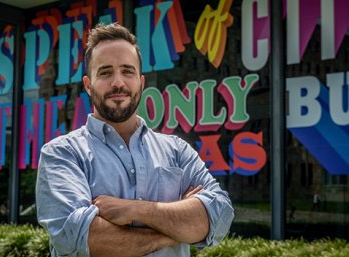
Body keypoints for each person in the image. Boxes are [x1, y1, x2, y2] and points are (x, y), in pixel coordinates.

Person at [36, 22, 234, 257]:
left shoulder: (177, 152)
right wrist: (177, 229)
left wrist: (135, 210)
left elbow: (218, 217)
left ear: (141, 83)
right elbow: (87, 238)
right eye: (106, 72)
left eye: (127, 71)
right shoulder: (62, 154)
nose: (118, 82)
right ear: (88, 85)